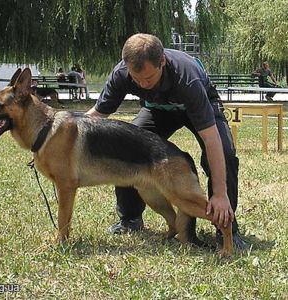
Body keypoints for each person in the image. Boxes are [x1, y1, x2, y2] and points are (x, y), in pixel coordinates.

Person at [86, 33, 249, 250]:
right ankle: (130, 219)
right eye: (137, 79)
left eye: (149, 78)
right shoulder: (121, 74)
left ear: (162, 61)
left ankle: (227, 228)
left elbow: (211, 139)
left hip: (201, 106)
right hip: (157, 111)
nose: (143, 85)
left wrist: (219, 194)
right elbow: (95, 116)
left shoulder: (186, 78)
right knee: (126, 148)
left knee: (226, 154)